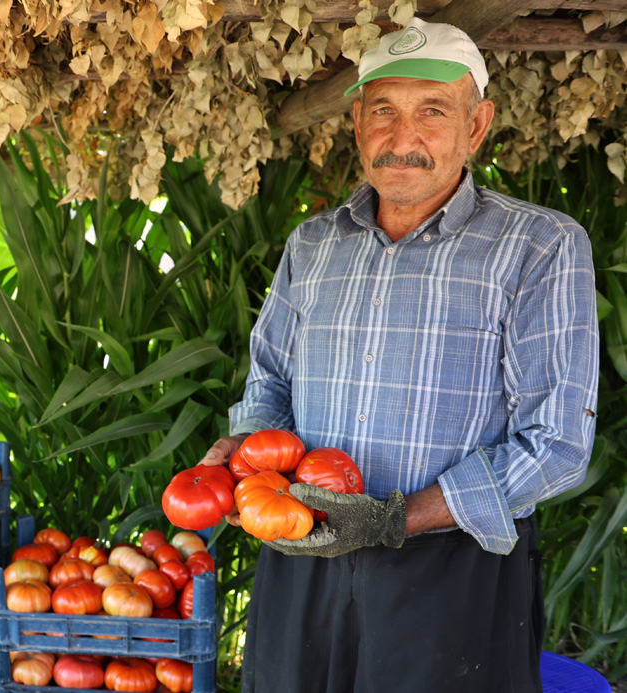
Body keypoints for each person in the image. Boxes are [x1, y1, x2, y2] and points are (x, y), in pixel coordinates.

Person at [199, 18, 599, 693]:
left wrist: (393, 518)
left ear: (477, 125)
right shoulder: (313, 245)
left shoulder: (539, 246)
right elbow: (269, 381)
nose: (401, 136)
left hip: (451, 573)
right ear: (356, 122)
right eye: (383, 110)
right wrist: (242, 457)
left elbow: (555, 444)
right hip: (305, 551)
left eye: (432, 111)